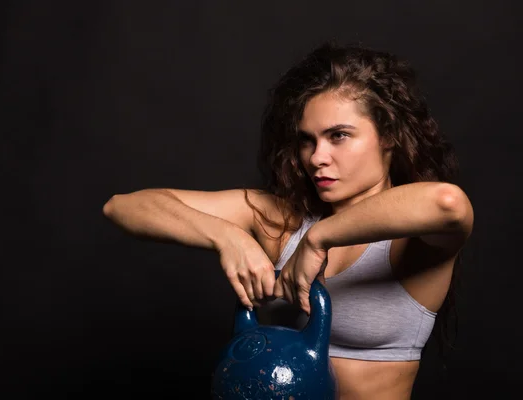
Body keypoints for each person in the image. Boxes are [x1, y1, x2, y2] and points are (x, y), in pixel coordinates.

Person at [102, 42, 474, 399]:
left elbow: (447, 203)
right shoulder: (280, 220)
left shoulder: (413, 244)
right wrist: (226, 236)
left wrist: (318, 239)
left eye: (338, 136)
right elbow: (123, 207)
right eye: (307, 140)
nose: (317, 157)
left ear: (388, 135)